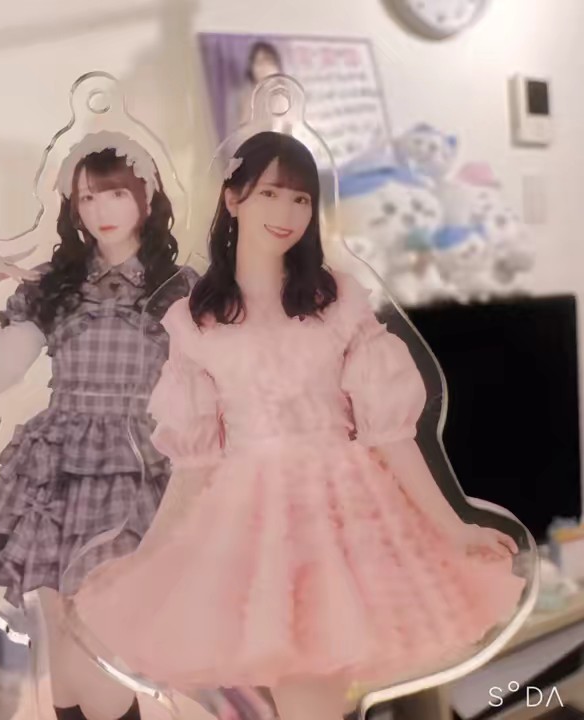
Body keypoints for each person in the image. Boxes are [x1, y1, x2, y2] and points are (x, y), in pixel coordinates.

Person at [69, 131, 526, 720]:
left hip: (347, 517)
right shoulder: (195, 320)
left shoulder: (337, 300)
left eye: (301, 199)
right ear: (232, 199)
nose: (287, 213)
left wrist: (452, 527)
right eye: (270, 194)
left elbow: (392, 434)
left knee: (314, 694)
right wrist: (150, 556)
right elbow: (194, 463)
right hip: (251, 525)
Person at [0, 130, 197, 720]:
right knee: (59, 623)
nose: (99, 209)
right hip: (59, 459)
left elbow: (215, 380)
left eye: (114, 193)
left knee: (103, 619)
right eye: (86, 197)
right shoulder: (56, 287)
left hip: (136, 462)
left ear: (146, 196)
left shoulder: (181, 288)